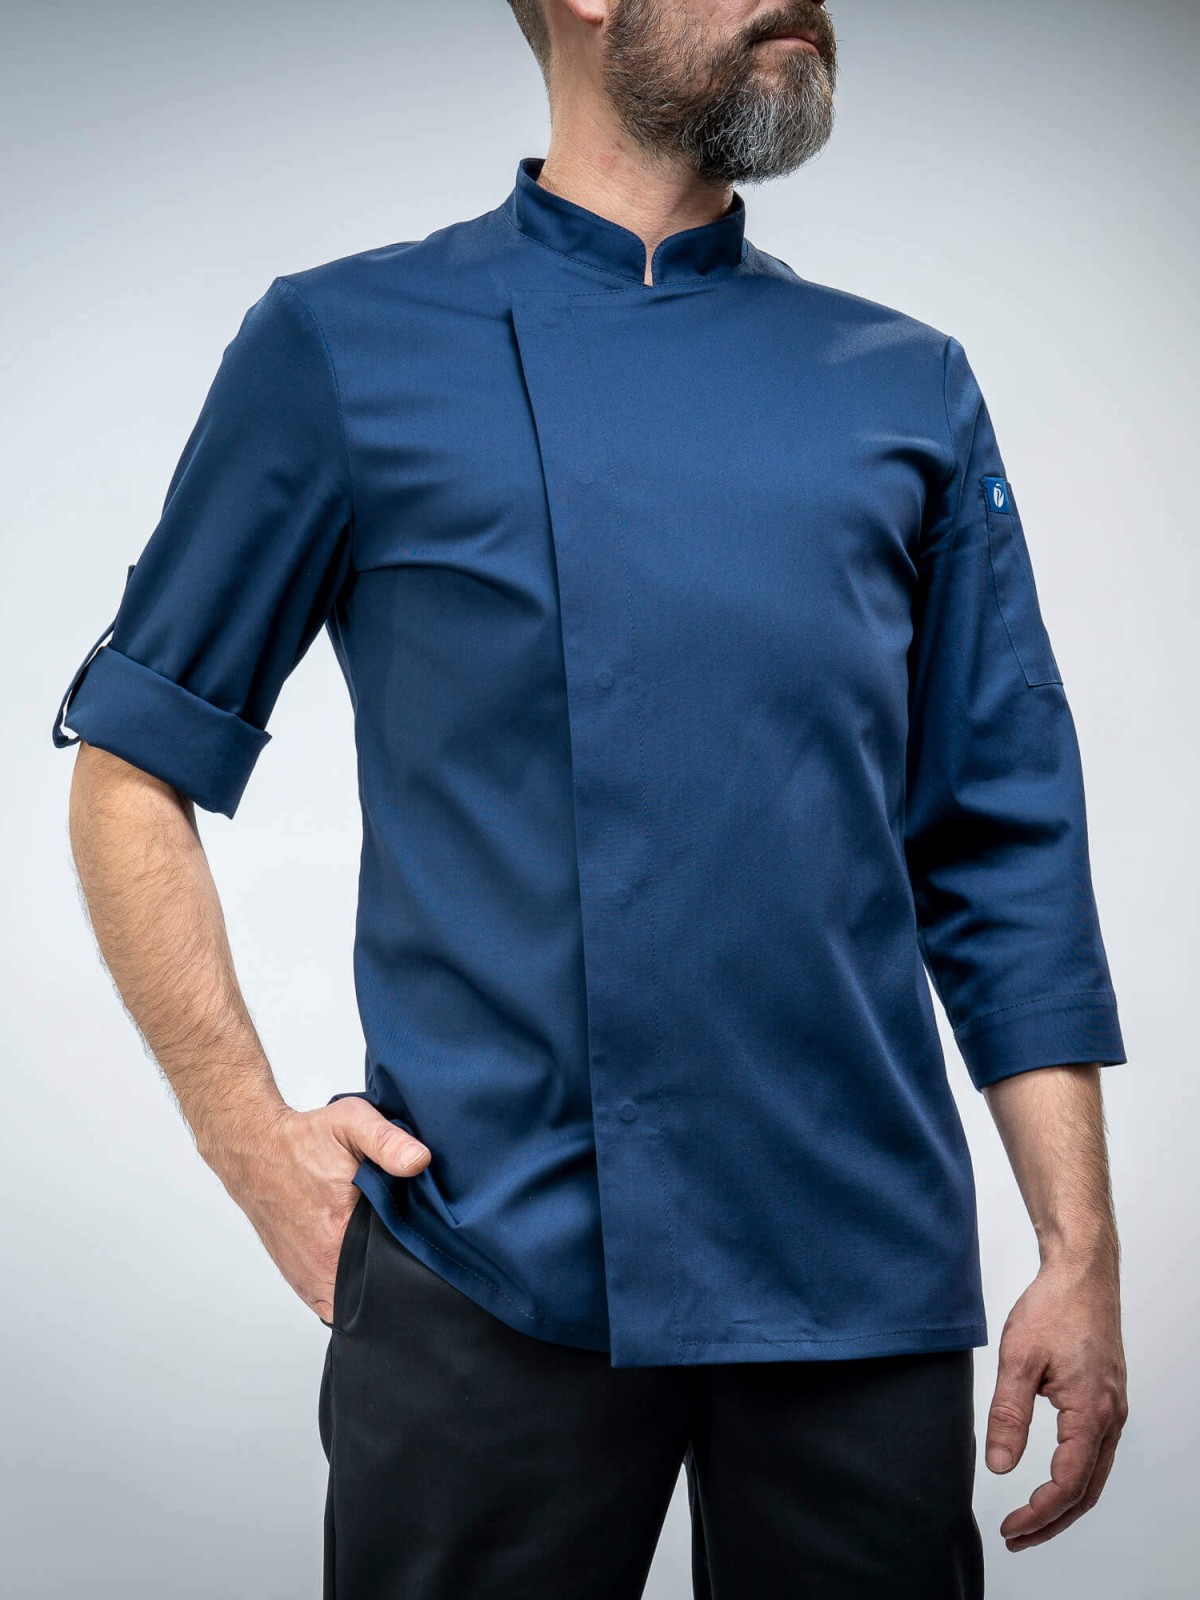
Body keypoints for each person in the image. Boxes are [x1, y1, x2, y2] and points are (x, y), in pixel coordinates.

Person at [51, 1, 1131, 1595]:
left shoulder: (911, 384)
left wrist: (1079, 1252)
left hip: (857, 1275)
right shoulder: (343, 346)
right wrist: (247, 1141)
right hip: (486, 1266)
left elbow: (1002, 843)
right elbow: (134, 764)